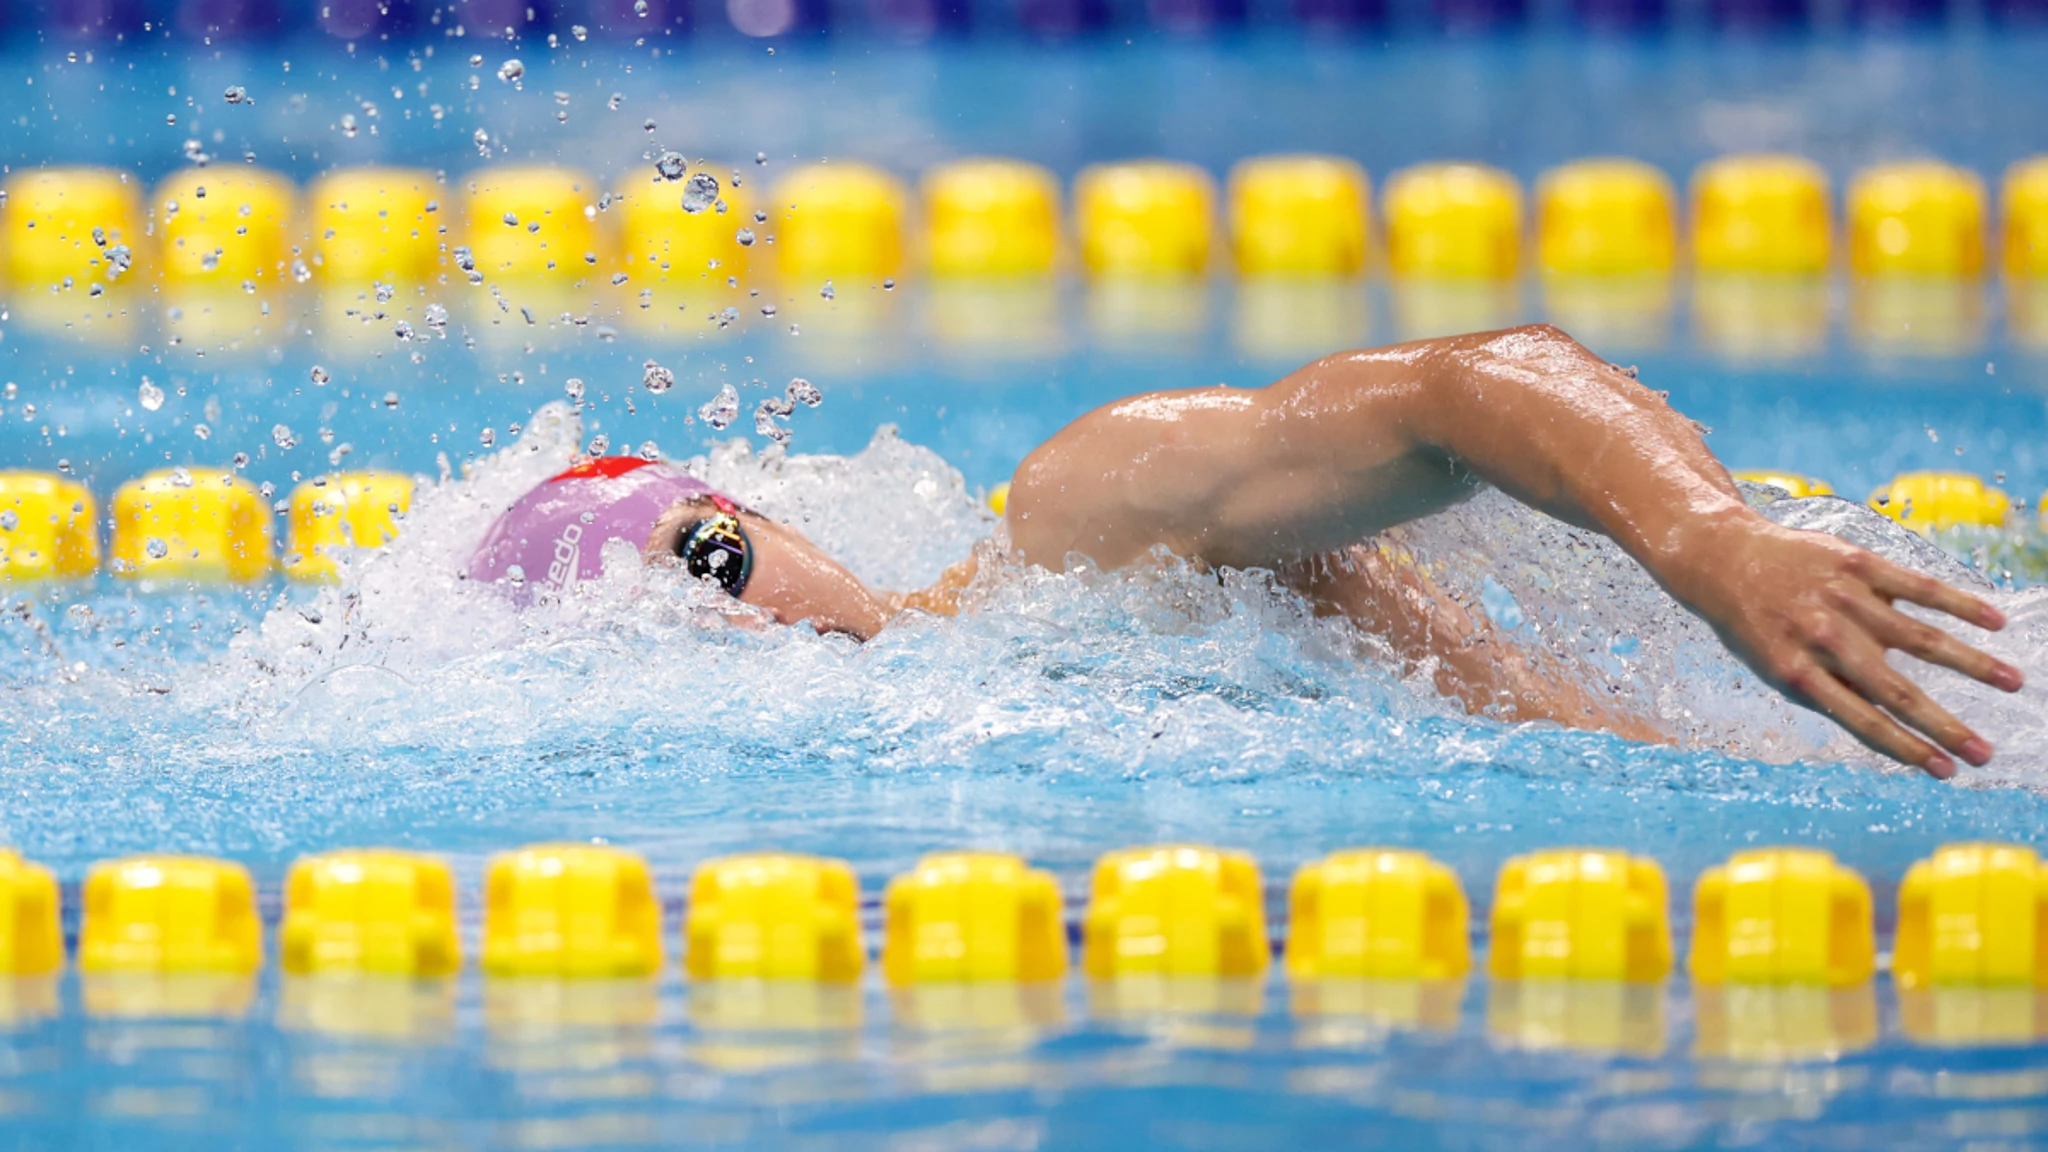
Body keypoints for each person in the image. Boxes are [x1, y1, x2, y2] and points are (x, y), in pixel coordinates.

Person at [468, 324, 2025, 779]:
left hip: (1931, 704)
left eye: (718, 566)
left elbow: (1459, 387)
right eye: (675, 633)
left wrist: (1712, 545)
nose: (742, 633)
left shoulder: (1075, 531)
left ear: (776, 517)